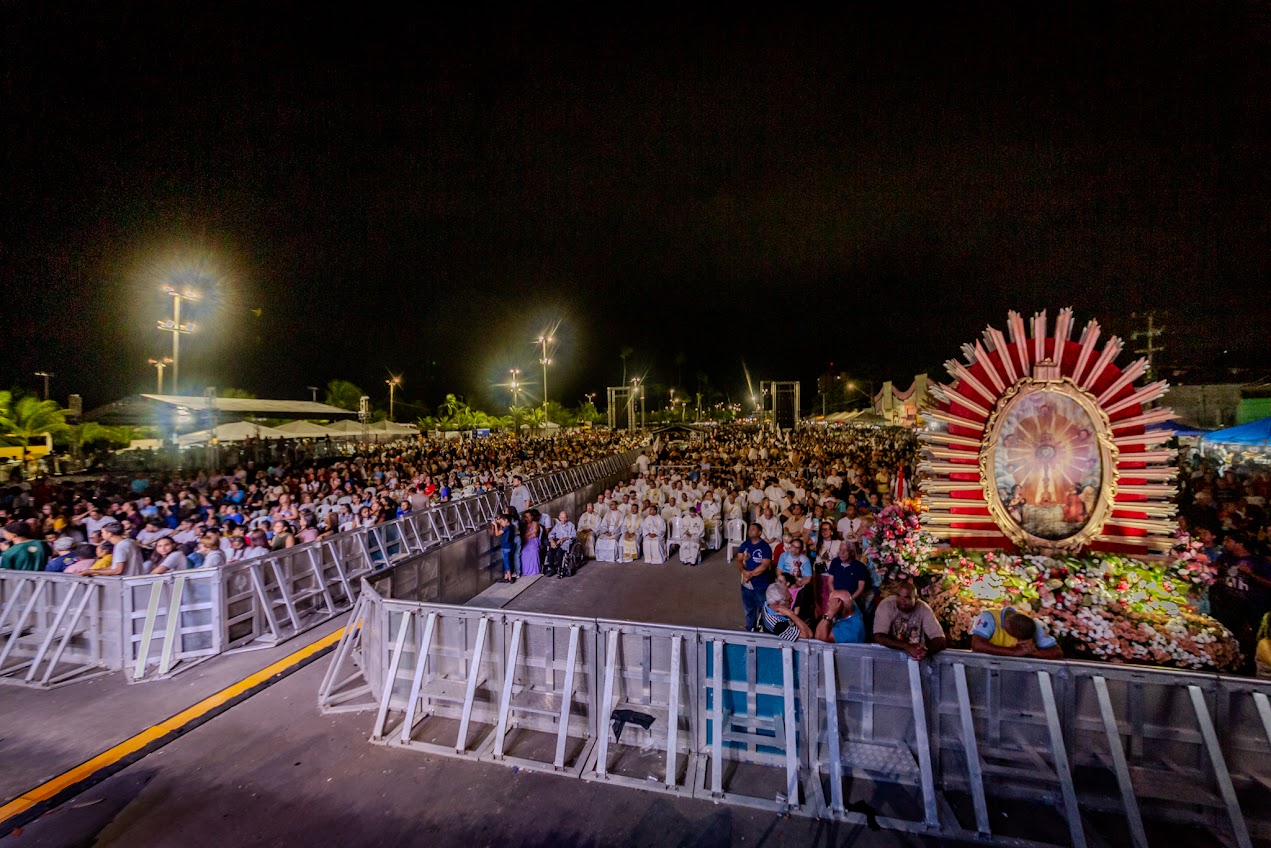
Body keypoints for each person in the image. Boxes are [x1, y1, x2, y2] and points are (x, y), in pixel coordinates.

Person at [873, 583, 947, 660]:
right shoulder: (887, 605)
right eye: (898, 596)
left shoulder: (923, 608)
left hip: (916, 659)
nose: (902, 600)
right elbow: (879, 637)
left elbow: (940, 640)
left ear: (916, 598)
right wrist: (907, 647)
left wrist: (924, 652)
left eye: (907, 598)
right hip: (888, 657)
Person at [970, 606, 1064, 659]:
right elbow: (977, 644)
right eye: (1017, 637)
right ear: (1006, 626)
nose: (1018, 641)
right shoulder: (989, 617)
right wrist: (1014, 652)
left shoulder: (1030, 622)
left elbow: (1057, 652)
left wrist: (1035, 652)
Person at [735, 522, 773, 631]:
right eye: (750, 529)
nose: (750, 530)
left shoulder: (765, 547)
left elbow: (764, 565)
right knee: (749, 609)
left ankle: (764, 629)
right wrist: (743, 570)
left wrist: (749, 574)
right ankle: (750, 628)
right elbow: (739, 560)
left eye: (753, 529)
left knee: (763, 608)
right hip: (746, 584)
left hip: (761, 584)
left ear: (760, 533)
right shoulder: (745, 544)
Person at [520, 511, 542, 576]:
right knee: (524, 552)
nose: (528, 518)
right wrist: (530, 533)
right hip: (527, 541)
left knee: (533, 551)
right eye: (526, 517)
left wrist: (527, 535)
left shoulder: (535, 523)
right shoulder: (524, 525)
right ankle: (526, 570)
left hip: (534, 540)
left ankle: (534, 570)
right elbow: (523, 536)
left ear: (532, 517)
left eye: (529, 516)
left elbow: (535, 534)